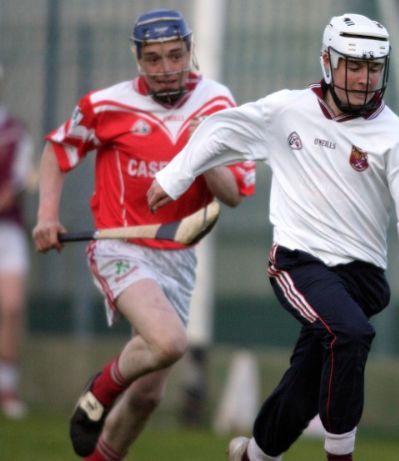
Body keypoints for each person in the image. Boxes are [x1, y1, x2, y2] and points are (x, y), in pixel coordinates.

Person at [147, 12, 399, 461]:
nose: (364, 78)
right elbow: (222, 128)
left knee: (307, 381)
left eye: (373, 68)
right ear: (327, 62)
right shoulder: (287, 111)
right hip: (299, 263)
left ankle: (255, 456)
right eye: (353, 66)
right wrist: (174, 177)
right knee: (350, 335)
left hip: (362, 278)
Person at [32, 9, 255, 460]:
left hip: (178, 253)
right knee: (169, 341)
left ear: (190, 52)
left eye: (175, 55)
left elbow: (232, 195)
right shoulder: (107, 105)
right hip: (120, 244)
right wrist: (47, 215)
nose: (166, 68)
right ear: (138, 59)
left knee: (149, 395)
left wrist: (202, 150)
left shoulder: (217, 104)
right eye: (153, 59)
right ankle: (99, 390)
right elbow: (58, 150)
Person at [0, 63, 34, 420]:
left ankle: (6, 387)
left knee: (11, 307)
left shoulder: (14, 131)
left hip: (7, 233)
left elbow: (19, 183)